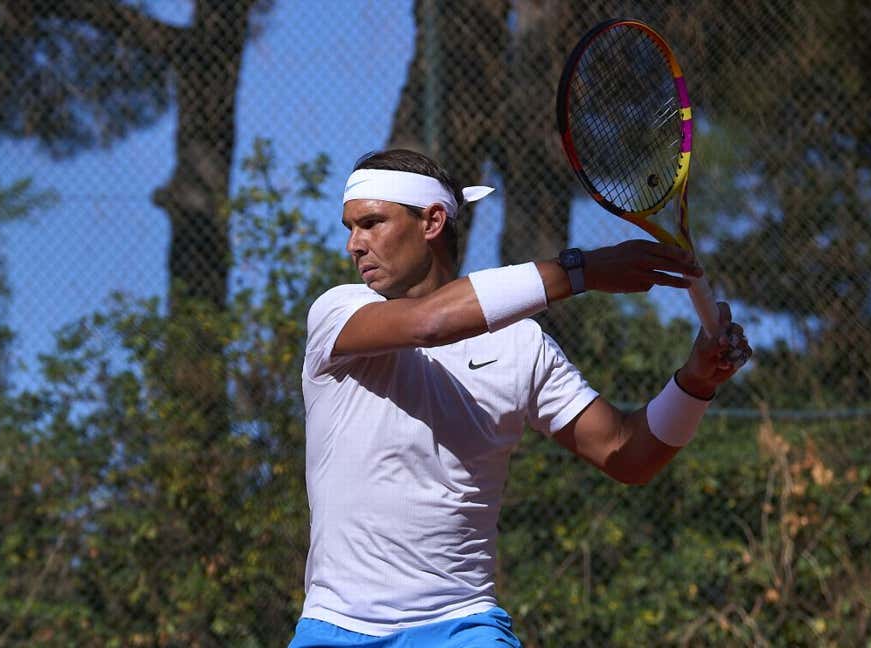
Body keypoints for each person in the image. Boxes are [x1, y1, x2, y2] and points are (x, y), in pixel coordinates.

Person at [289, 149, 752, 647]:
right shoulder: (338, 313)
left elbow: (629, 455)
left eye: (372, 223)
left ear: (432, 221)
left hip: (463, 628)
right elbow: (432, 324)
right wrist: (583, 271)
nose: (354, 245)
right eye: (350, 227)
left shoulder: (520, 344)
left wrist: (696, 383)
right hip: (334, 627)